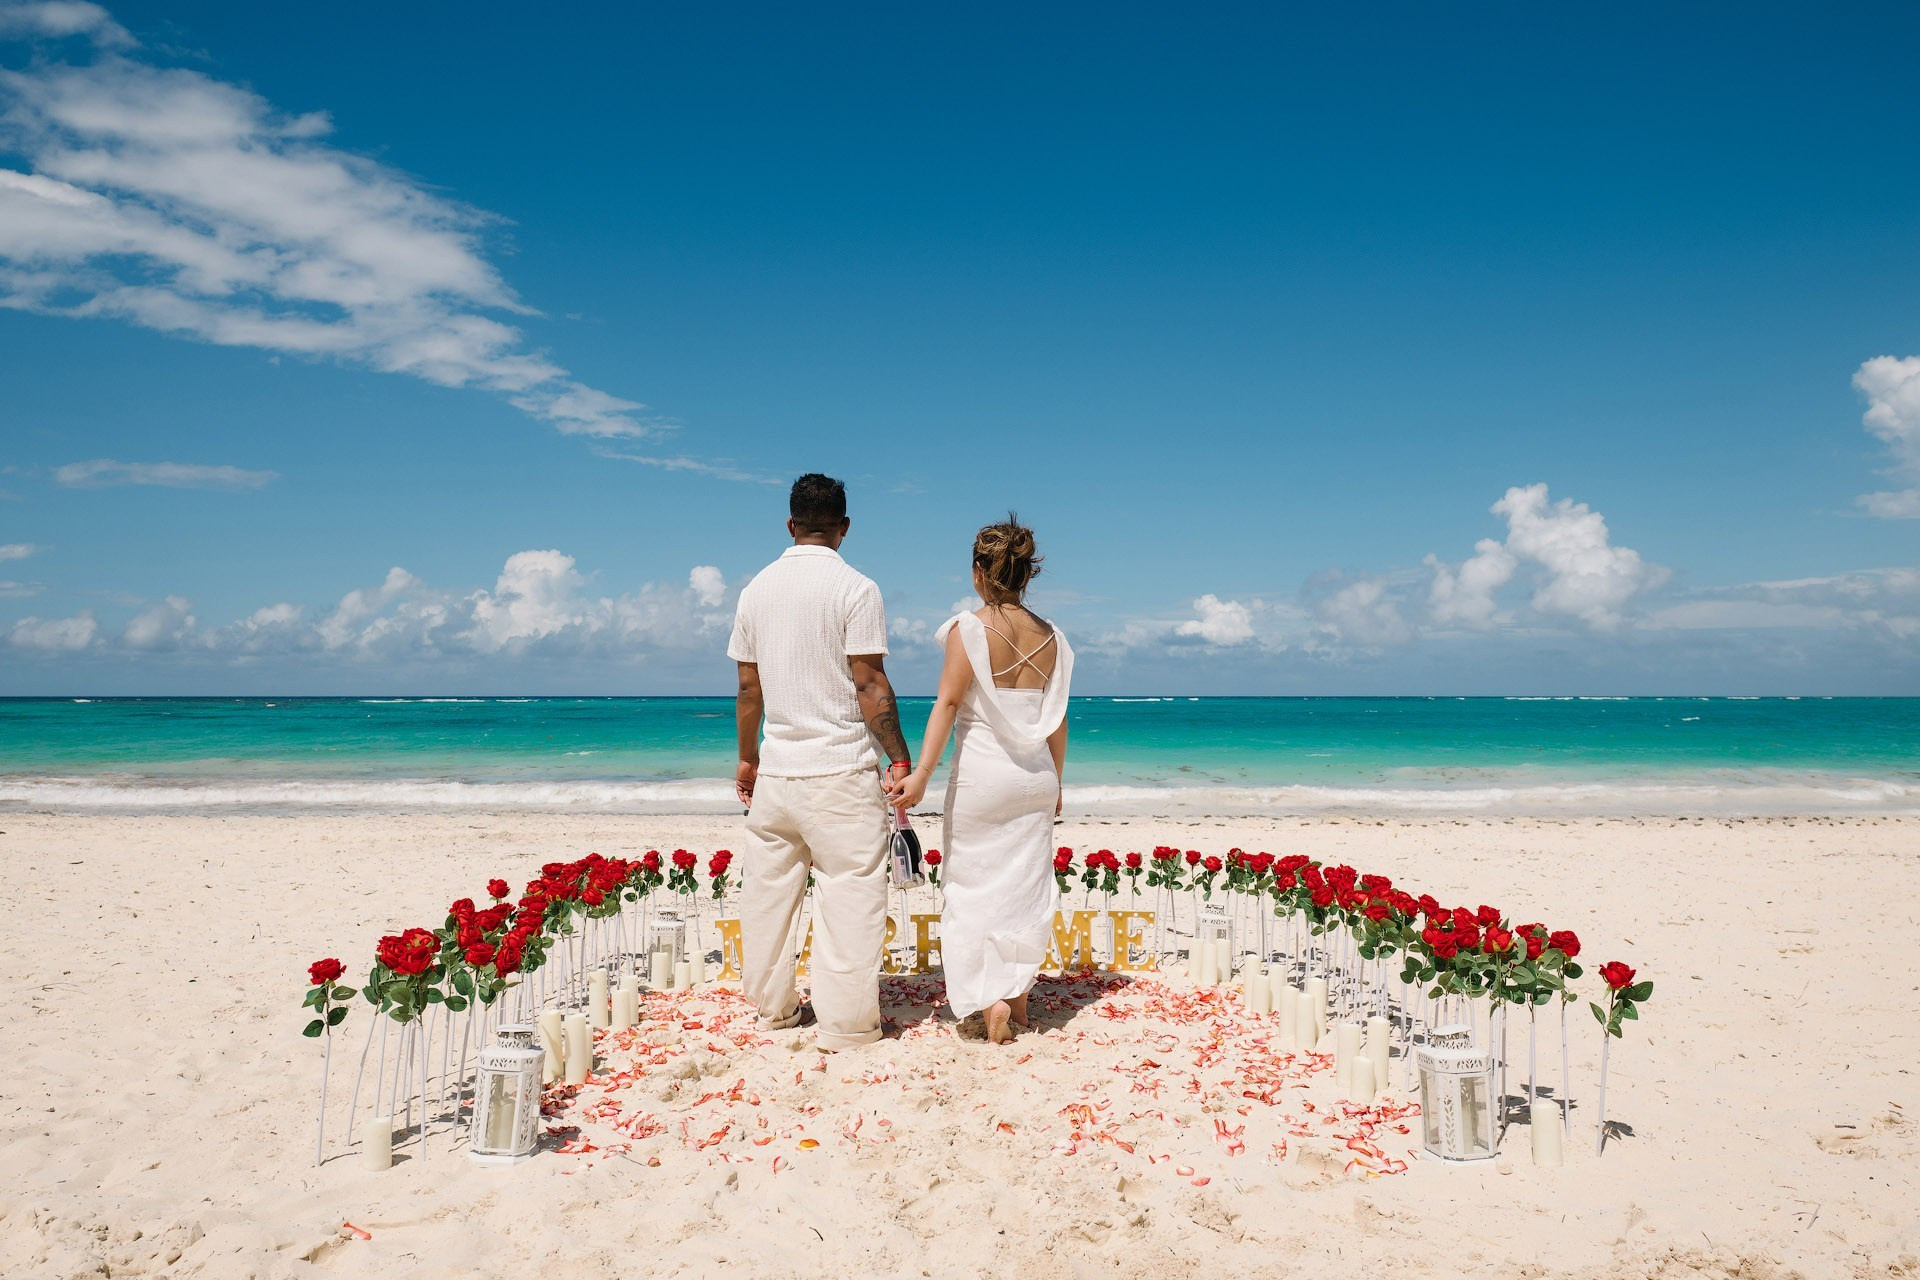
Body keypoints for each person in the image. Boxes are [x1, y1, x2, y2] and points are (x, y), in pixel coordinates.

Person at [730, 474, 912, 1051]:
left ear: (789, 524)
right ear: (844, 527)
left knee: (768, 898)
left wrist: (747, 758)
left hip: (779, 772)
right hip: (840, 772)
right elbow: (868, 681)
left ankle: (774, 1011)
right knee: (851, 896)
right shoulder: (856, 587)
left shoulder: (755, 589)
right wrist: (900, 755)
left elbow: (747, 687)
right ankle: (846, 1026)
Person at [889, 515, 1072, 1045]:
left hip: (982, 780)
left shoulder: (968, 629)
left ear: (978, 574)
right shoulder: (1054, 638)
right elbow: (1056, 720)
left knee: (971, 890)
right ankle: (1014, 1001)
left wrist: (922, 772)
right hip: (1034, 777)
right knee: (1025, 891)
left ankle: (989, 998)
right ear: (1025, 574)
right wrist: (1055, 782)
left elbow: (947, 702)